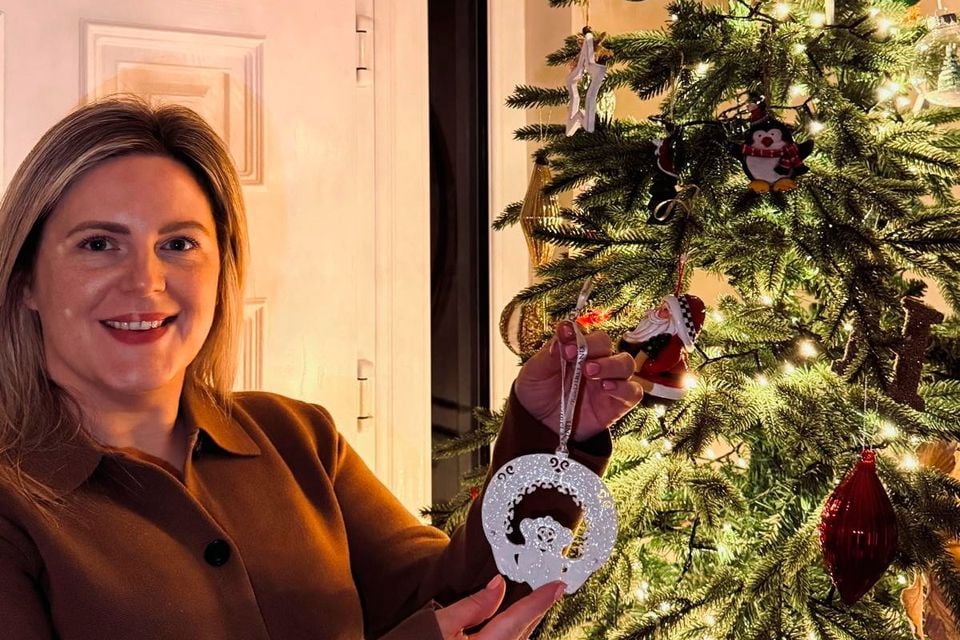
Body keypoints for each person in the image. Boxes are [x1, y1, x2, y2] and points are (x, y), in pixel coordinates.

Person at [0, 97, 644, 639]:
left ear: (221, 268)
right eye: (98, 244)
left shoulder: (295, 438)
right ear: (26, 278)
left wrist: (544, 428)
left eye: (178, 244)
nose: (146, 282)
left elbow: (465, 599)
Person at [618, 293, 705, 401]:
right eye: (660, 306)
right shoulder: (650, 331)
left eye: (665, 310)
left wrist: (643, 360)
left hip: (660, 379)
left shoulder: (673, 344)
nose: (658, 311)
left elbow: (657, 366)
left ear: (676, 321)